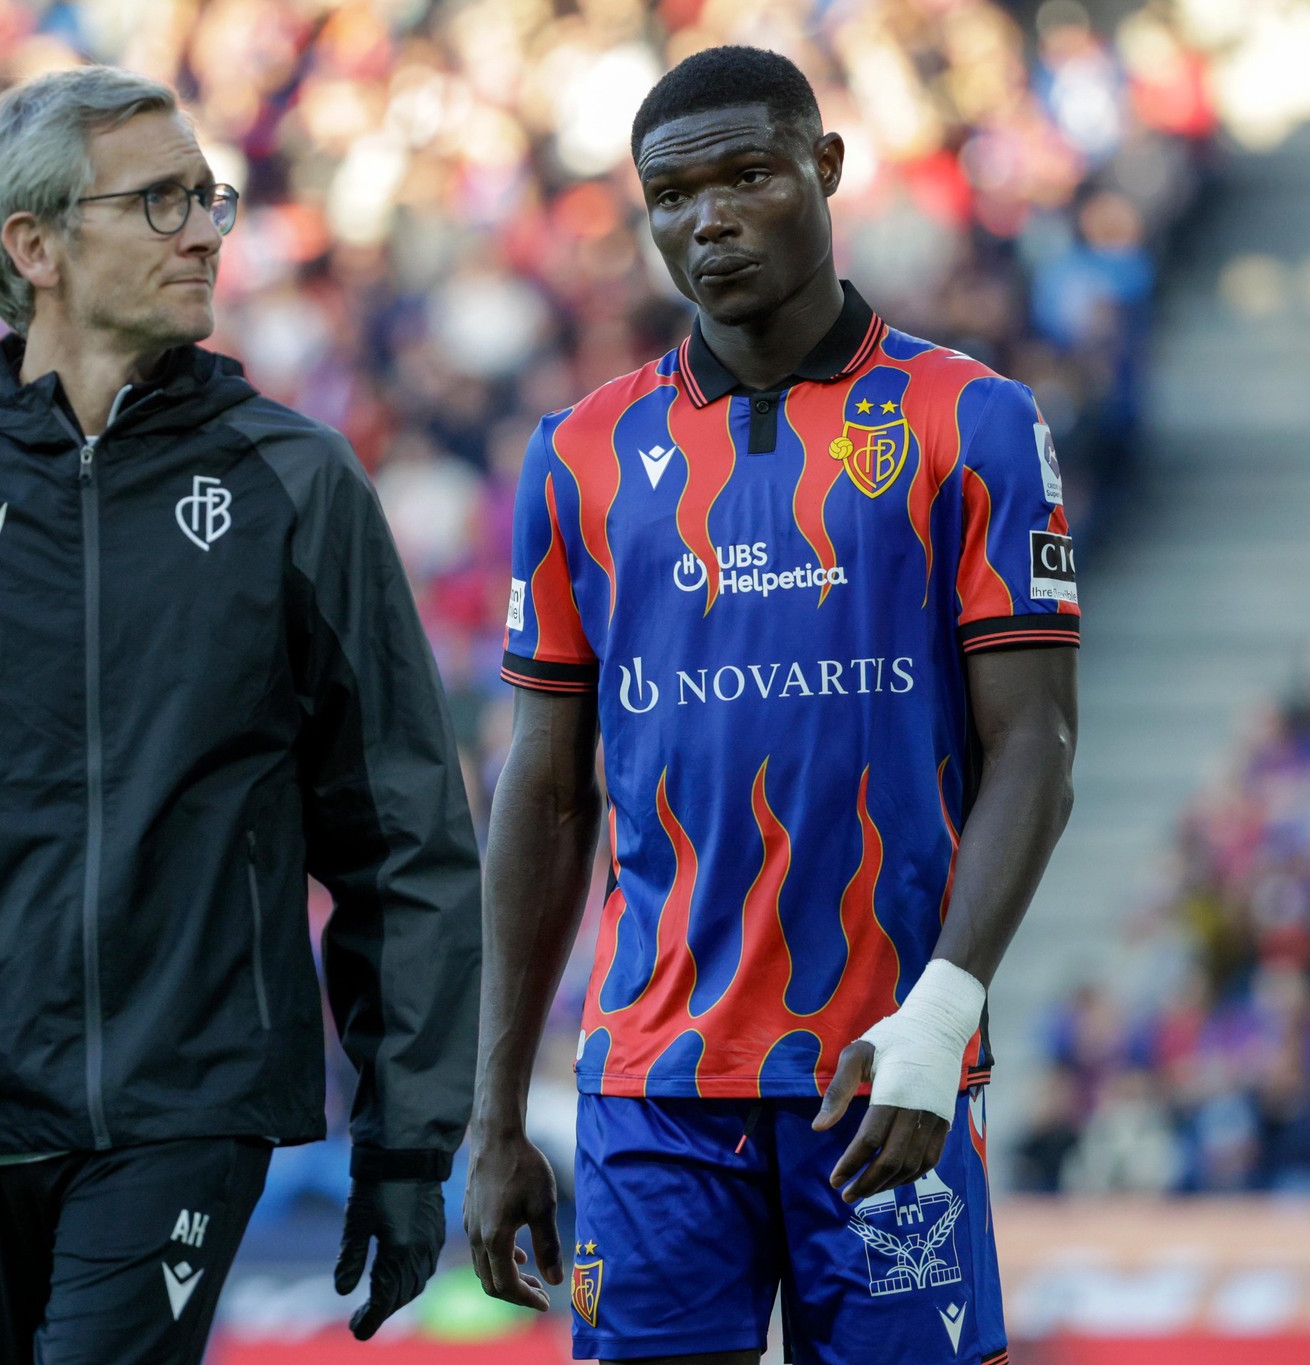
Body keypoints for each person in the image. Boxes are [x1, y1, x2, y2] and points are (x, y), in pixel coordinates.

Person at [0, 65, 481, 1365]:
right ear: (37, 245)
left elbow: (401, 831)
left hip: (190, 1094)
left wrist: (409, 1137)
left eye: (209, 197)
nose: (205, 230)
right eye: (162, 200)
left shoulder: (296, 483)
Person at [464, 45, 1077, 1365]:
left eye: (748, 174)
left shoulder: (971, 421)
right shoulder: (578, 457)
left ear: (827, 168)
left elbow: (1037, 741)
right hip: (651, 1087)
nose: (710, 219)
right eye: (671, 195)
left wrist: (942, 1014)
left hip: (883, 1074)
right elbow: (546, 785)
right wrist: (495, 1110)